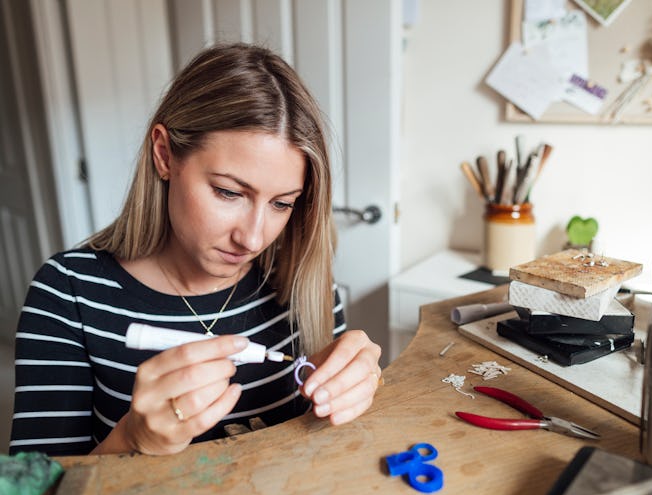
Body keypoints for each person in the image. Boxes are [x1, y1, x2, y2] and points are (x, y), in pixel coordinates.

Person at [9, 43, 382, 457]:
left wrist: (357, 386)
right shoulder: (68, 294)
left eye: (282, 203)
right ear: (164, 155)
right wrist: (133, 440)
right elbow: (39, 488)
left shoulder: (299, 274)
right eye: (228, 192)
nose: (254, 239)